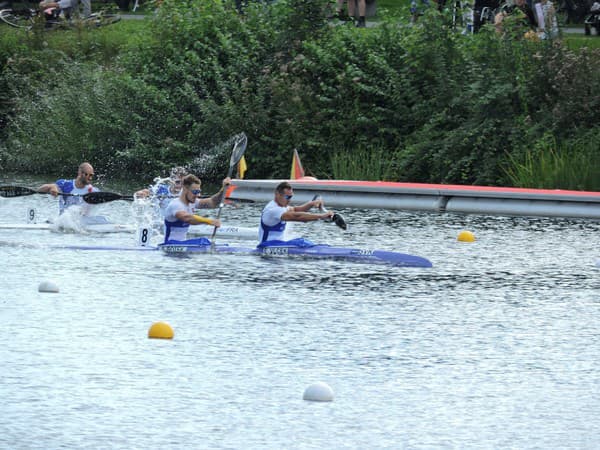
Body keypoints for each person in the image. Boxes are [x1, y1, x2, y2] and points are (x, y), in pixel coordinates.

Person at [259, 181, 334, 245]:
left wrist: (311, 204)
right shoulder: (272, 210)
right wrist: (322, 216)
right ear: (277, 194)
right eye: (287, 197)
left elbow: (296, 210)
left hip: (279, 245)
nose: (289, 200)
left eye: (290, 197)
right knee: (301, 243)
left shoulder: (282, 207)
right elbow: (298, 217)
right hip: (267, 246)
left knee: (301, 241)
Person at [162, 174, 230, 243]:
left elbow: (213, 202)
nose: (198, 195)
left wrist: (224, 189)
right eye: (195, 192)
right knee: (203, 241)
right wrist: (210, 221)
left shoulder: (193, 202)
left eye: (199, 192)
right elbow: (187, 218)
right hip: (170, 244)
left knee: (204, 242)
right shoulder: (176, 205)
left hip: (181, 245)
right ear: (185, 189)